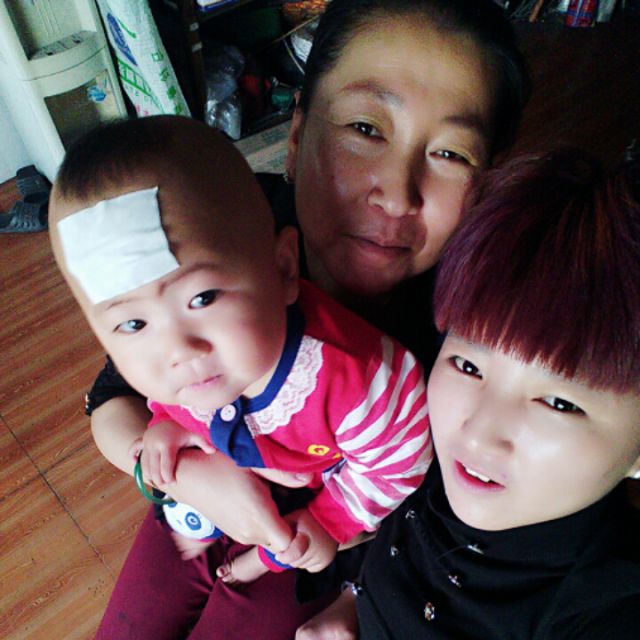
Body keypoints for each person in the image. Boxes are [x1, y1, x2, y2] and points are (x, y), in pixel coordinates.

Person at [87, 1, 530, 637]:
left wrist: (351, 599)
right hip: (191, 491)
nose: (395, 194)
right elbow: (115, 393)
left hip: (330, 551)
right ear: (296, 134)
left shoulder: (474, 337)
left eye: (452, 154)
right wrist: (188, 477)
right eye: (366, 128)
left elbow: (445, 515)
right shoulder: (228, 224)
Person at [48, 116, 432, 584]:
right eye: (133, 323)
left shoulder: (357, 379)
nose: (178, 350)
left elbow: (399, 460)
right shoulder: (196, 368)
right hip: (227, 478)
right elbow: (165, 400)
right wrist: (167, 423)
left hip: (324, 507)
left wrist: (331, 520)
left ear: (284, 268)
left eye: (203, 298)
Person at [299, 148, 640, 639]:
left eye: (560, 403)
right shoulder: (429, 439)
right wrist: (352, 599)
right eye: (468, 364)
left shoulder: (606, 611)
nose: (476, 433)